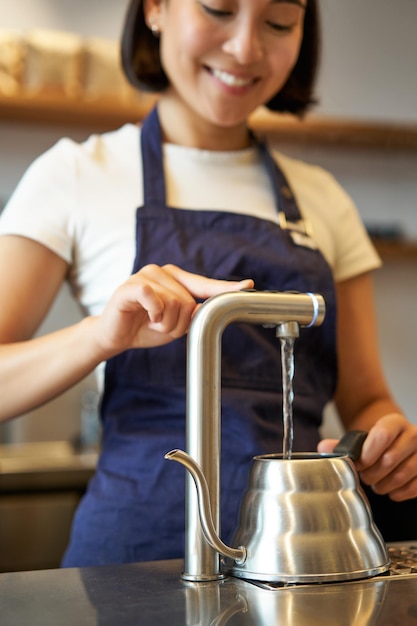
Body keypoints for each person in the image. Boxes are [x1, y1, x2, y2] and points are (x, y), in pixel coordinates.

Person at [0, 0, 416, 567]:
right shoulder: (75, 174)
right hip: (130, 560)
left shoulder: (324, 198)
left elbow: (367, 400)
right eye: (218, 8)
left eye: (278, 22)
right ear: (156, 9)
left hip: (297, 562)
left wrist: (389, 444)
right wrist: (101, 335)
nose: (246, 48)